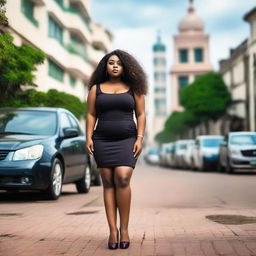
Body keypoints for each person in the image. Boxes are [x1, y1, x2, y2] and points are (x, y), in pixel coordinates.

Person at [86, 49, 147, 250]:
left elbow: (141, 114)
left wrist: (139, 137)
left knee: (122, 177)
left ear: (125, 67)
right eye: (111, 62)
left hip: (127, 139)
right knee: (108, 182)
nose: (114, 66)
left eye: (118, 63)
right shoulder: (96, 89)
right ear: (105, 66)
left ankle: (125, 229)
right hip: (102, 139)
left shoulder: (133, 88)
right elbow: (91, 114)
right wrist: (88, 136)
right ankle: (113, 230)